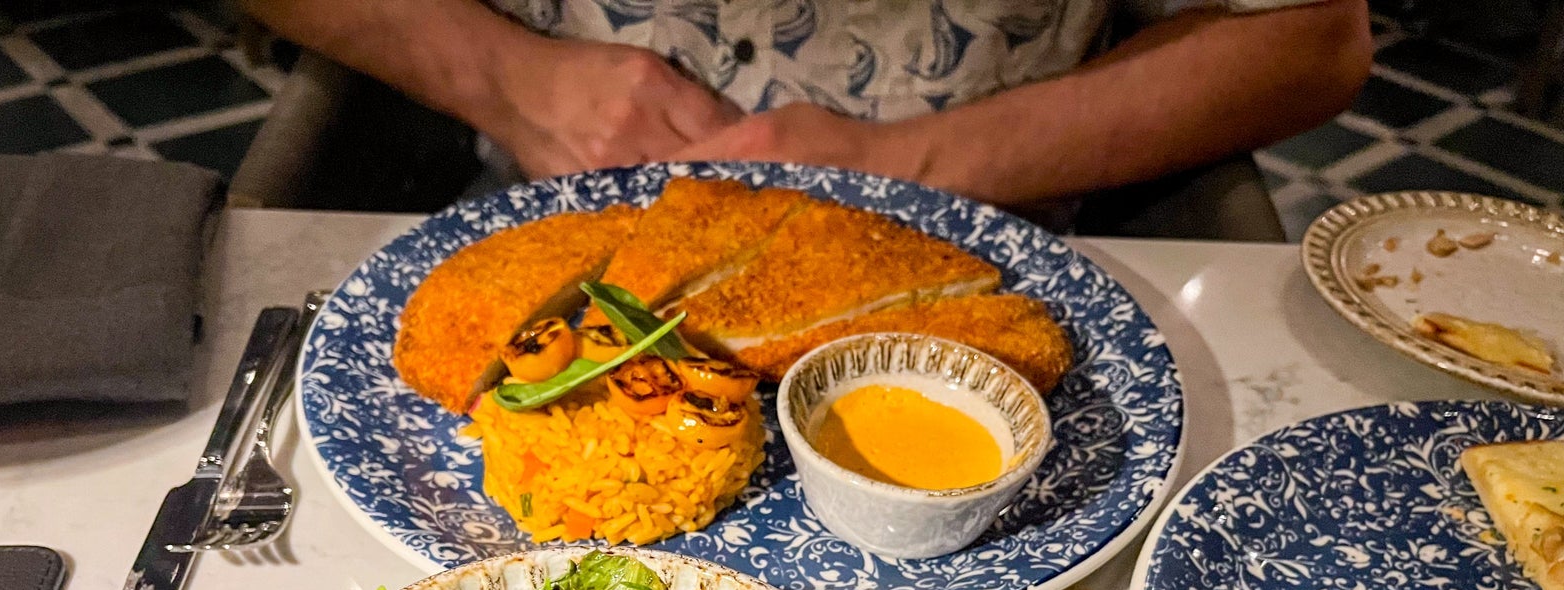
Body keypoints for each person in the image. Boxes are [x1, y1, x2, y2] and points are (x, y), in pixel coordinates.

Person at [240, 0, 1371, 217]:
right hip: (542, 207)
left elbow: (1312, 40)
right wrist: (507, 75)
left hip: (987, 227)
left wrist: (915, 161)